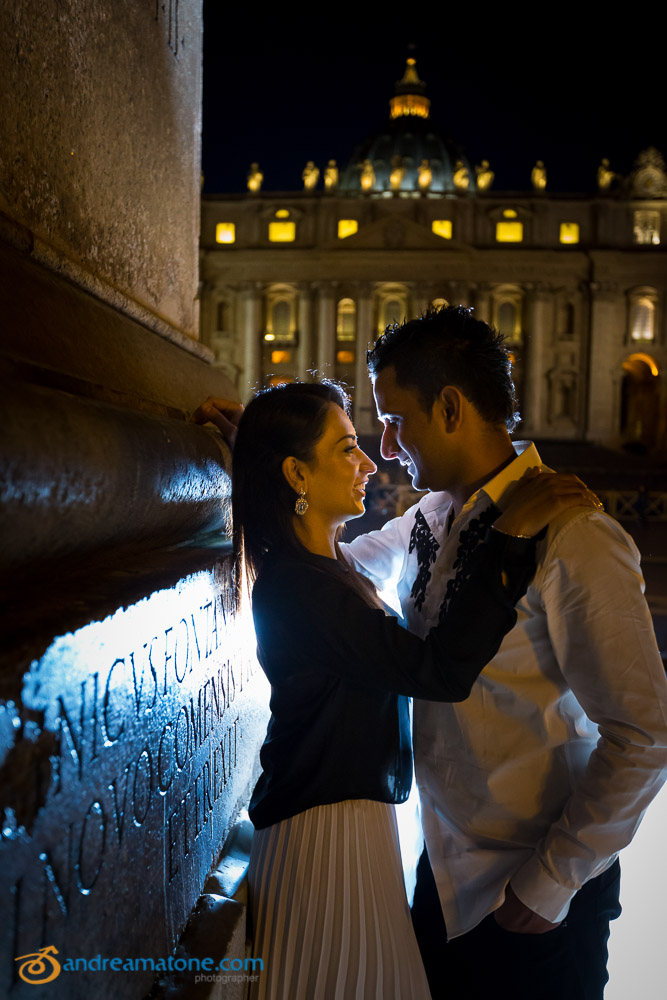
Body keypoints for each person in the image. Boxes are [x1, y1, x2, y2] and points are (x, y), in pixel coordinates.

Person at [195, 378, 599, 999]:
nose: (370, 461)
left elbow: (365, 565)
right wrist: (511, 538)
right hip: (324, 838)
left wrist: (257, 436)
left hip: (353, 828)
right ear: (297, 476)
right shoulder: (304, 588)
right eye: (347, 447)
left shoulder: (329, 570)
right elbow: (436, 672)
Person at [336, 304, 667, 1000]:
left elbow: (644, 730)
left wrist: (550, 884)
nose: (388, 447)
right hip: (443, 871)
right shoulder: (430, 517)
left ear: (451, 407)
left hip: (534, 897)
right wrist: (258, 458)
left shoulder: (577, 537)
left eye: (396, 420)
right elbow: (331, 574)